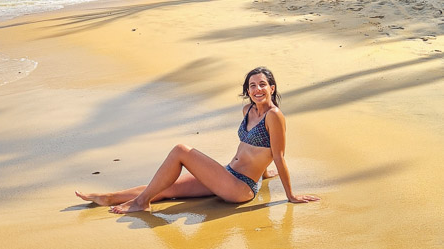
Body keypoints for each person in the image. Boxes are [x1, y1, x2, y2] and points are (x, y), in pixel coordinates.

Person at [75, 67, 319, 212]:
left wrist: (291, 195)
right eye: (252, 86)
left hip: (240, 187)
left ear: (272, 88)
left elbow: (277, 155)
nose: (257, 90)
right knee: (166, 187)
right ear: (247, 90)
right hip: (228, 174)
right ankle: (108, 197)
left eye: (262, 85)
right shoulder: (247, 111)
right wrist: (265, 174)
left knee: (181, 150)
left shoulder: (274, 116)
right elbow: (253, 149)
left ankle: (140, 203)